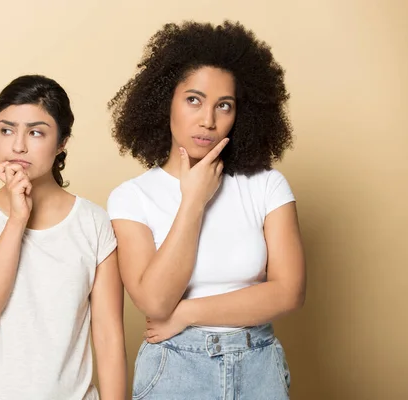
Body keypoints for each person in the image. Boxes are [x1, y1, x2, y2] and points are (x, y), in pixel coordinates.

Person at [107, 21, 305, 399]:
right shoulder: (131, 197)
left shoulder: (266, 185)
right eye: (193, 100)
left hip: (258, 367)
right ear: (166, 99)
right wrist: (194, 201)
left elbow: (288, 293)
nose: (208, 120)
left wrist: (186, 313)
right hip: (175, 368)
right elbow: (154, 301)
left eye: (224, 106)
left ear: (240, 114)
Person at [0, 75, 126, 400]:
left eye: (36, 132)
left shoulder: (92, 222)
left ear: (62, 142)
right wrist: (17, 218)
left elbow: (109, 337)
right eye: (6, 129)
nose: (17, 145)